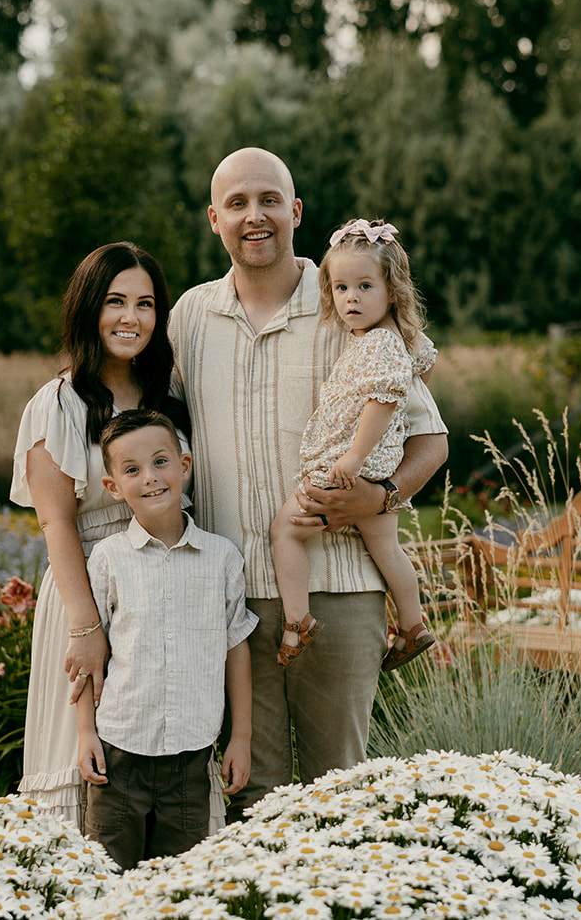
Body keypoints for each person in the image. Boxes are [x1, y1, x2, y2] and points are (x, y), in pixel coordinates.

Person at [169, 147, 448, 818]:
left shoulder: (348, 305)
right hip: (234, 596)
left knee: (341, 791)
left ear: (295, 211)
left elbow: (430, 439)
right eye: (237, 203)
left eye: (269, 199)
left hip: (342, 588)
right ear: (214, 219)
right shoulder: (189, 318)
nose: (254, 215)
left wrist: (381, 497)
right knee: (253, 798)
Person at [10, 243, 191, 827]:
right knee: (88, 766)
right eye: (115, 301)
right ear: (90, 309)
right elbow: (56, 523)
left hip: (166, 591)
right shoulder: (57, 405)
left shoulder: (171, 399)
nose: (130, 318)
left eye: (145, 304)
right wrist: (87, 629)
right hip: (87, 592)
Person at [75, 408, 256, 868]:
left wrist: (241, 738)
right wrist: (84, 734)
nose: (151, 478)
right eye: (132, 470)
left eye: (160, 462)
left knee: (179, 882)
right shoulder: (108, 560)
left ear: (185, 466)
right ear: (113, 487)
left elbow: (236, 648)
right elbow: (89, 660)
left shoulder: (221, 558)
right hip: (119, 754)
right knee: (109, 873)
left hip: (191, 756)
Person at [269, 218, 437, 672]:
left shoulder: (378, 344)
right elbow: (422, 363)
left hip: (347, 468)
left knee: (285, 531)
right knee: (386, 547)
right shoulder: (393, 339)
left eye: (364, 286)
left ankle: (296, 619)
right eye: (341, 288)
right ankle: (412, 624)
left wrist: (353, 456)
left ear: (392, 291)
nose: (351, 299)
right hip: (377, 470)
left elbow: (382, 401)